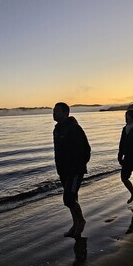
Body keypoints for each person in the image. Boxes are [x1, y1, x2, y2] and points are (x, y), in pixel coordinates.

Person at [52, 102, 91, 238]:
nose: (54, 113)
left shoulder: (74, 129)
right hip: (63, 170)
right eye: (54, 110)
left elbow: (86, 150)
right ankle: (75, 224)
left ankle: (81, 221)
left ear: (65, 113)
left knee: (68, 199)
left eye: (57, 111)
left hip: (75, 171)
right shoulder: (57, 129)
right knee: (72, 198)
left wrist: (78, 167)